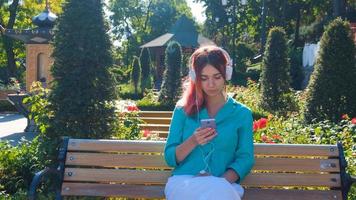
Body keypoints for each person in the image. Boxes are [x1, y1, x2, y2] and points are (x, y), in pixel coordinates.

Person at [164, 45, 255, 200]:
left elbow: (245, 158)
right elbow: (170, 157)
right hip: (184, 183)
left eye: (217, 77)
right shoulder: (182, 110)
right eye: (204, 78)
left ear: (227, 74)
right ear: (195, 78)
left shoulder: (242, 114)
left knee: (218, 193)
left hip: (224, 184)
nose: (211, 84)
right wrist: (193, 141)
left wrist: (218, 182)